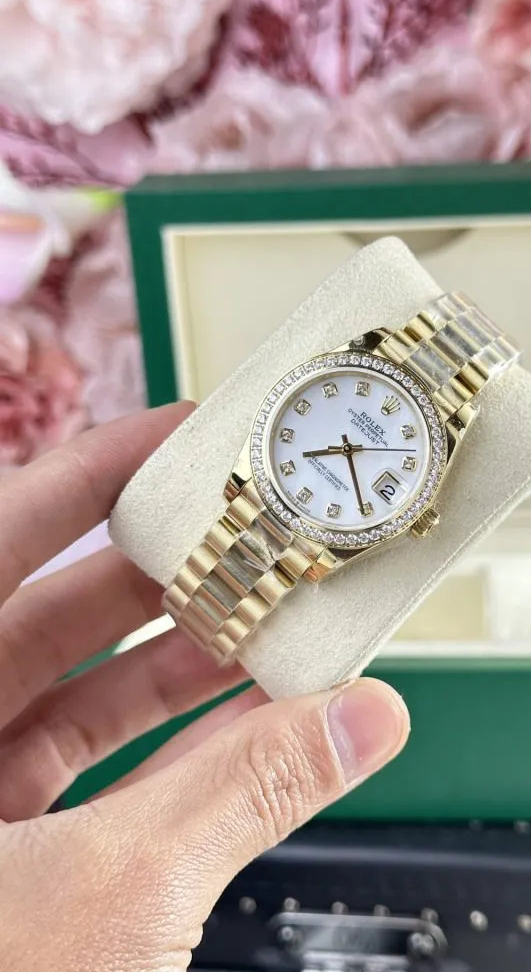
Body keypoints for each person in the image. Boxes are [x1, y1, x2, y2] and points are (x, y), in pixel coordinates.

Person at [0, 403, 410, 971]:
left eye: (353, 454)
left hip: (303, 533)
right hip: (261, 507)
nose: (347, 453)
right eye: (345, 447)